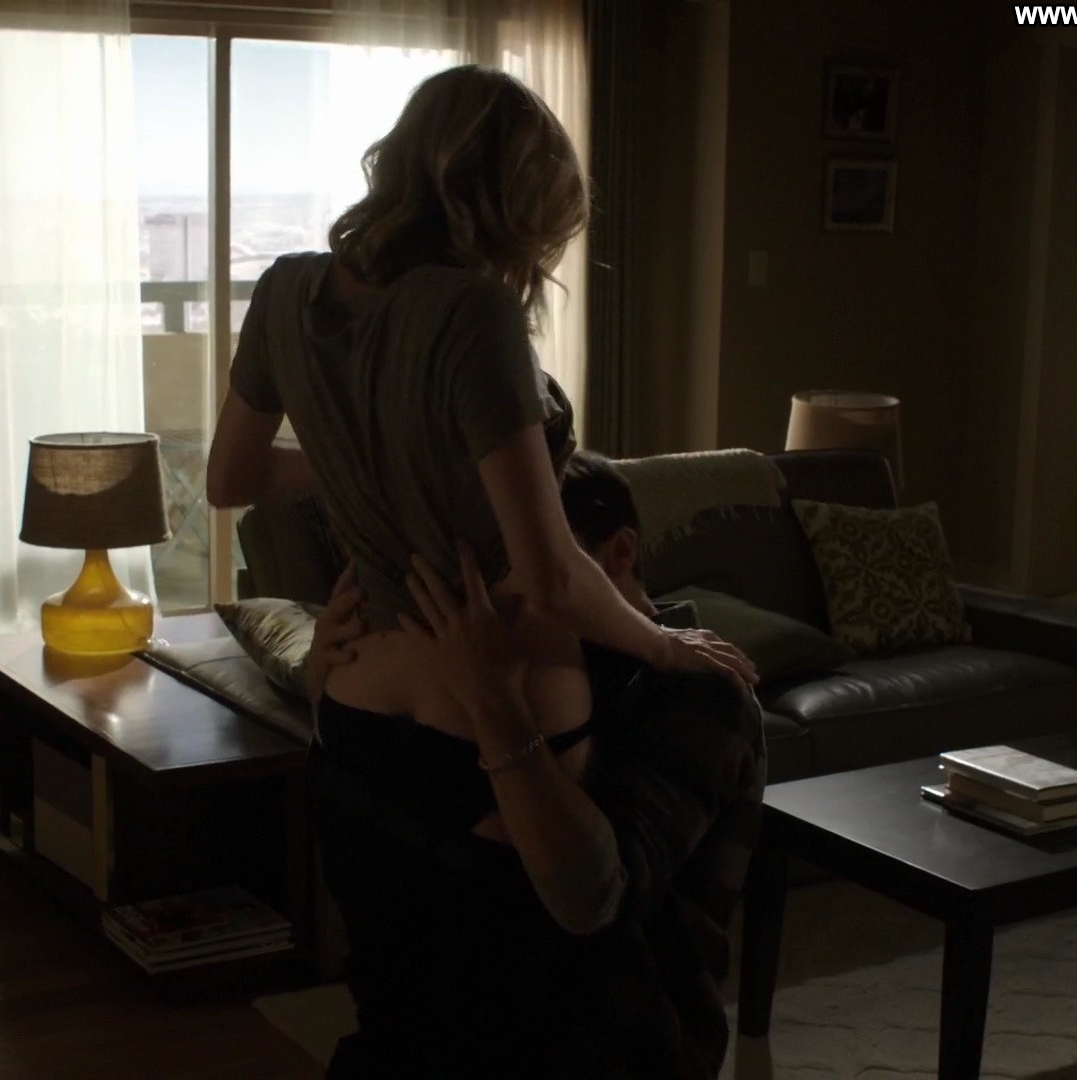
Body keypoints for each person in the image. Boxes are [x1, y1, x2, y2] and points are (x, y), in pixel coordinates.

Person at [205, 65, 756, 1077]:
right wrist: (661, 643)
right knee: (534, 990)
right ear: (518, 201)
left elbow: (230, 478)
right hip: (500, 693)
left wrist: (372, 447)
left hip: (362, 688)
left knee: (406, 987)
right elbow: (548, 576)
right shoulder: (473, 311)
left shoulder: (285, 289)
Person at [305, 452, 766, 1078]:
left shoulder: (700, 694)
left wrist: (495, 708)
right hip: (418, 1036)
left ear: (617, 553)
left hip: (607, 1047)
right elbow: (381, 832)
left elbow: (594, 902)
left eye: (533, 565)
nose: (495, 596)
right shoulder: (485, 668)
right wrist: (330, 690)